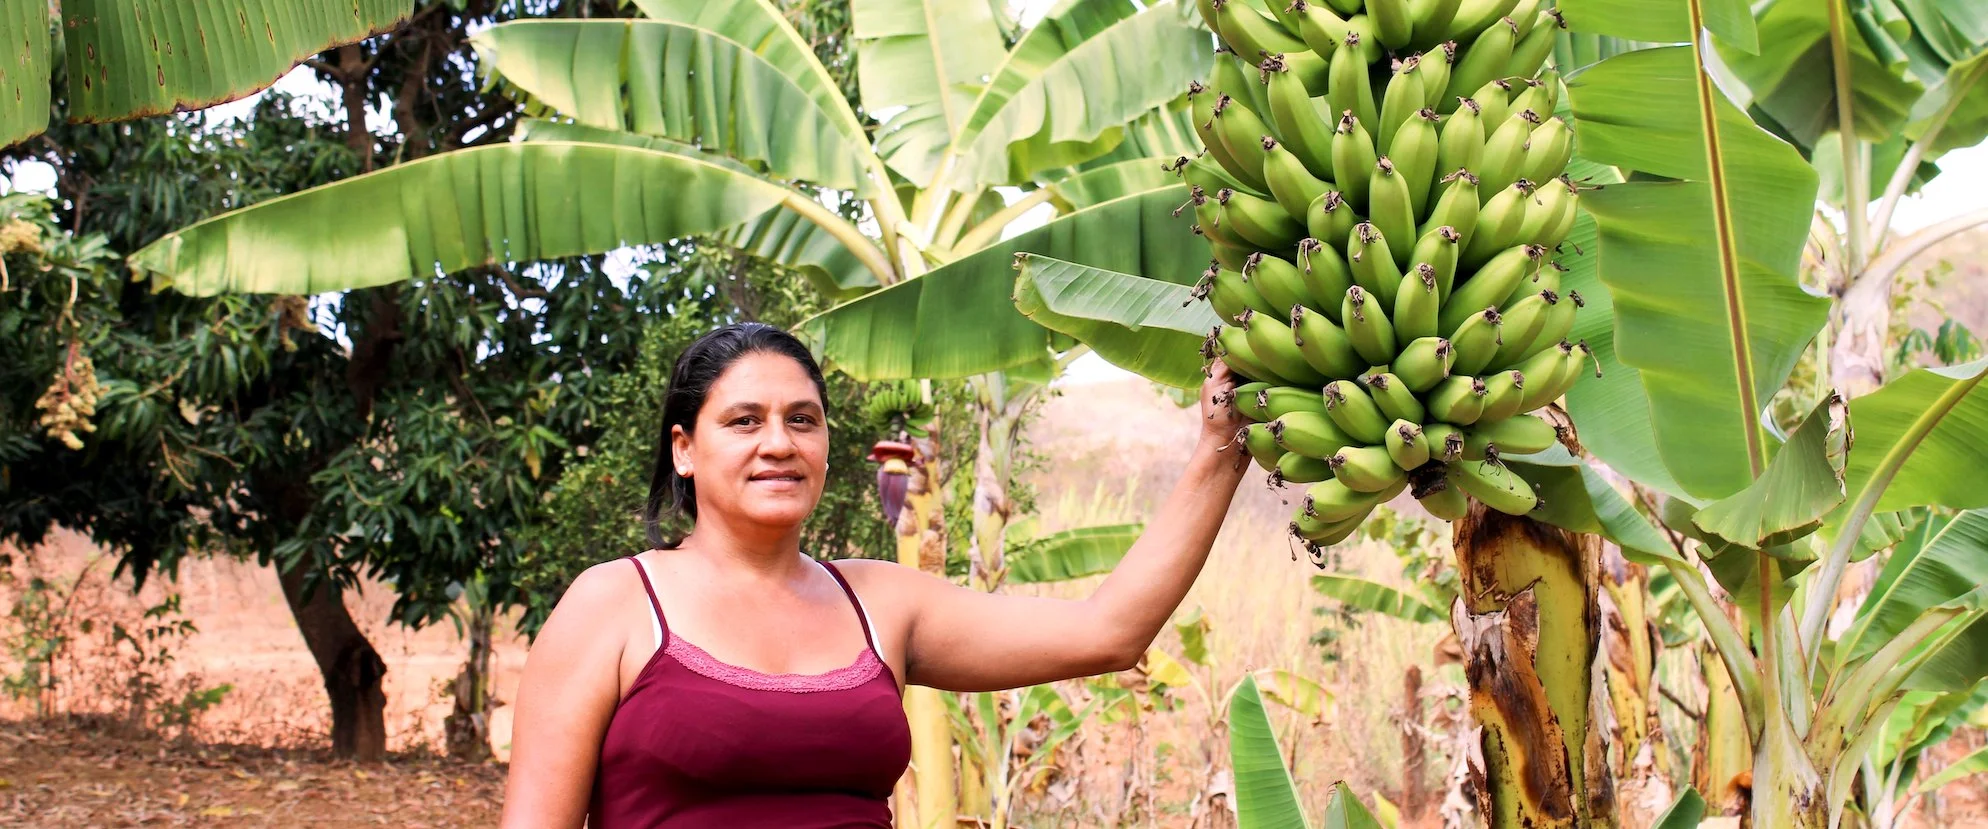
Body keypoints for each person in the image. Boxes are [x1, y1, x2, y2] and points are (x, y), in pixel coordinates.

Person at [499, 322, 1247, 828]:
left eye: (803, 418)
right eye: (743, 420)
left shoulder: (882, 603)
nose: (778, 443)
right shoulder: (614, 606)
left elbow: (1107, 631)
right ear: (684, 448)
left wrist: (1221, 449)